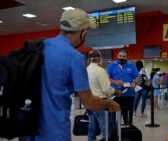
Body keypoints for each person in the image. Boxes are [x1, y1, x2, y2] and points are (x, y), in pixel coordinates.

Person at [25, 9, 120, 141]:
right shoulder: (74, 57)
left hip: (30, 128)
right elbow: (89, 103)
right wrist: (109, 103)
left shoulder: (41, 46)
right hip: (55, 131)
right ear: (83, 32)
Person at [86, 50, 122, 141]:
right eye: (101, 57)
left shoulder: (86, 70)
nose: (102, 58)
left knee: (92, 127)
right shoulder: (100, 70)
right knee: (105, 128)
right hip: (100, 102)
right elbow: (106, 89)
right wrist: (115, 92)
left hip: (88, 102)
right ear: (97, 58)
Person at [106, 48, 140, 124]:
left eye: (124, 56)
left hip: (129, 95)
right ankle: (114, 133)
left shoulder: (132, 66)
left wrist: (135, 83)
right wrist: (115, 82)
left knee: (127, 118)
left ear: (127, 57)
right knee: (113, 117)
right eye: (120, 56)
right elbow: (106, 77)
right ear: (117, 56)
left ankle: (128, 132)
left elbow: (137, 78)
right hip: (115, 95)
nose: (122, 58)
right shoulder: (112, 65)